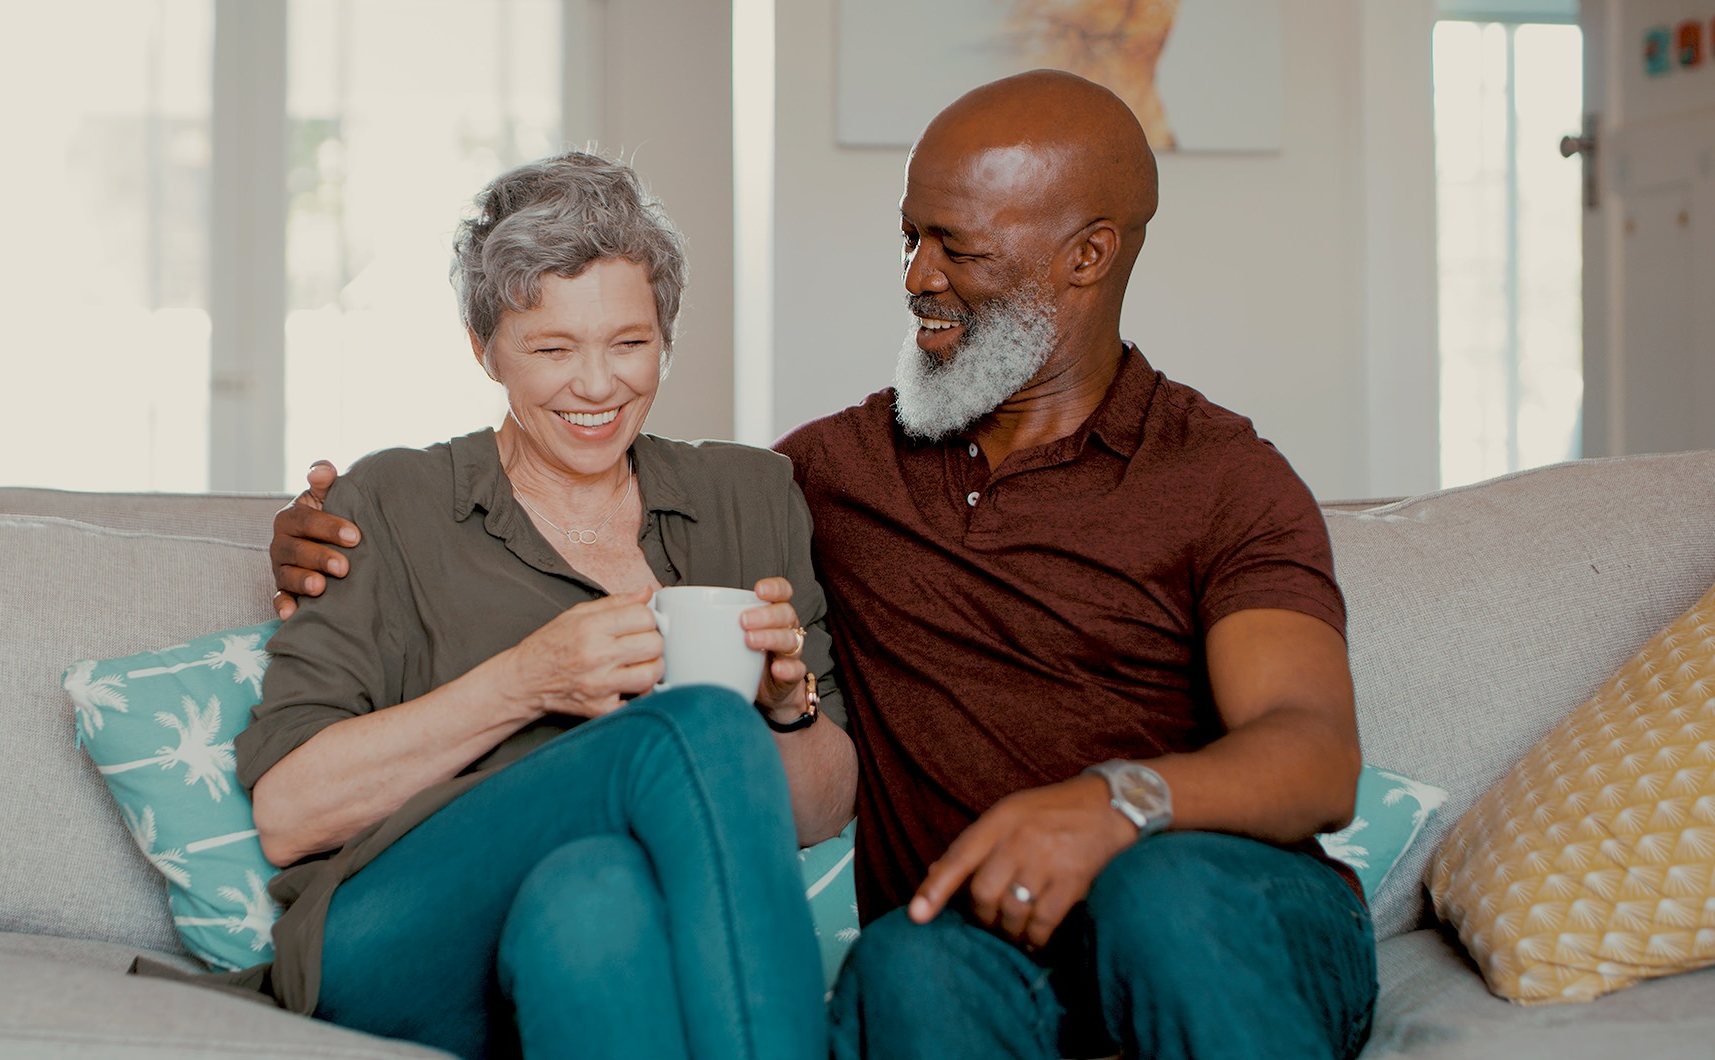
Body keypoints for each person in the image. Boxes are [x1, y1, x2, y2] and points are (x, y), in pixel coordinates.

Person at [273, 73, 1377, 1059]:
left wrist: (1112, 804)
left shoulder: (1217, 474)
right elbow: (294, 797)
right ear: (488, 350)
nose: (917, 277)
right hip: (966, 933)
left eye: (957, 247)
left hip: (1196, 896)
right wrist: (313, 539)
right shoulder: (832, 472)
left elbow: (1316, 751)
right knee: (899, 958)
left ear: (1086, 255)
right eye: (909, 237)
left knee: (1156, 895)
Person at [241, 151, 855, 1060]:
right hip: (397, 936)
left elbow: (818, 811)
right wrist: (528, 681)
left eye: (630, 344)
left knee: (593, 897)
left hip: (596, 928)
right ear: (483, 346)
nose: (599, 386)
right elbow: (289, 815)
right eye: (552, 348)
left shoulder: (749, 496)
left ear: (667, 335)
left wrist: (785, 707)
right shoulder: (389, 502)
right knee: (699, 730)